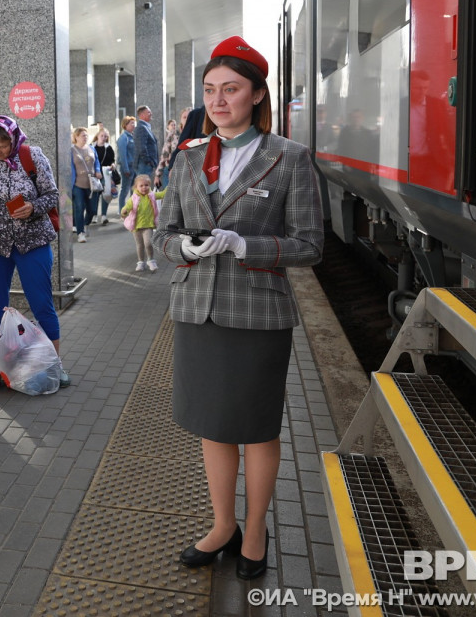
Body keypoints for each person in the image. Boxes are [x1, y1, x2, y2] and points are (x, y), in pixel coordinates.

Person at [152, 36, 324, 579]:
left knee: (256, 427)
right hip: (197, 309)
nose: (218, 101)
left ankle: (255, 532)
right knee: (213, 425)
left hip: (258, 314)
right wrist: (184, 247)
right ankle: (222, 524)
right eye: (209, 91)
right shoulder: (187, 158)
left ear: (255, 95)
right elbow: (163, 234)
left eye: (231, 90)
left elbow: (310, 245)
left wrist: (244, 244)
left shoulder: (289, 159)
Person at [0, 115, 69, 387]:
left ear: (14, 139)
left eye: (3, 145)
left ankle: (55, 365)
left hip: (32, 242)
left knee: (41, 304)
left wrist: (33, 208)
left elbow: (52, 195)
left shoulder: (33, 156)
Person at [120, 173, 165, 272]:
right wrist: (124, 211)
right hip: (136, 227)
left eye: (146, 185)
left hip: (148, 225)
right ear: (136, 187)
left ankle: (151, 260)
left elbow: (162, 194)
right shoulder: (134, 198)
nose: (144, 187)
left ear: (150, 186)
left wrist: (171, 185)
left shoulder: (151, 195)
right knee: (139, 245)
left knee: (148, 243)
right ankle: (141, 262)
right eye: (141, 186)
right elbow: (127, 207)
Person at [69, 126, 101, 243]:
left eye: (86, 135)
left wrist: (98, 170)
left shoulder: (92, 148)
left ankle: (86, 223)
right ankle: (80, 233)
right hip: (77, 185)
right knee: (78, 208)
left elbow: (96, 161)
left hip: (92, 185)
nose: (85, 137)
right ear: (76, 137)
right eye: (83, 135)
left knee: (92, 209)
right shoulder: (71, 151)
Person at [89, 126, 116, 224]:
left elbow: (112, 160)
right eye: (102, 135)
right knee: (95, 194)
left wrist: (113, 165)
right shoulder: (91, 146)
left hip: (105, 173)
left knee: (106, 194)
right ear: (97, 136)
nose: (103, 138)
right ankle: (94, 214)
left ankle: (104, 215)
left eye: (105, 136)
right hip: (94, 174)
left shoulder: (108, 147)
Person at [117, 115, 136, 214]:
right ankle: (122, 211)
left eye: (134, 123)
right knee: (124, 190)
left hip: (134, 168)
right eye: (131, 123)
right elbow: (122, 155)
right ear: (125, 125)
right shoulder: (123, 138)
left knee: (134, 191)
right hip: (127, 168)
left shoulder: (133, 136)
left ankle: (132, 210)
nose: (134, 125)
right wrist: (126, 169)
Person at [134, 105, 160, 179]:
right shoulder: (141, 128)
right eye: (148, 112)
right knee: (142, 187)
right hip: (144, 165)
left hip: (146, 164)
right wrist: (148, 161)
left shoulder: (146, 127)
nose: (151, 113)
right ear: (142, 115)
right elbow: (141, 147)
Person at [156, 118, 179, 187]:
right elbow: (165, 155)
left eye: (175, 125)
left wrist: (157, 175)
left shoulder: (174, 135)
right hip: (169, 167)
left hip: (173, 168)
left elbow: (164, 155)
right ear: (168, 126)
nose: (173, 126)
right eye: (172, 125)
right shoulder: (170, 135)